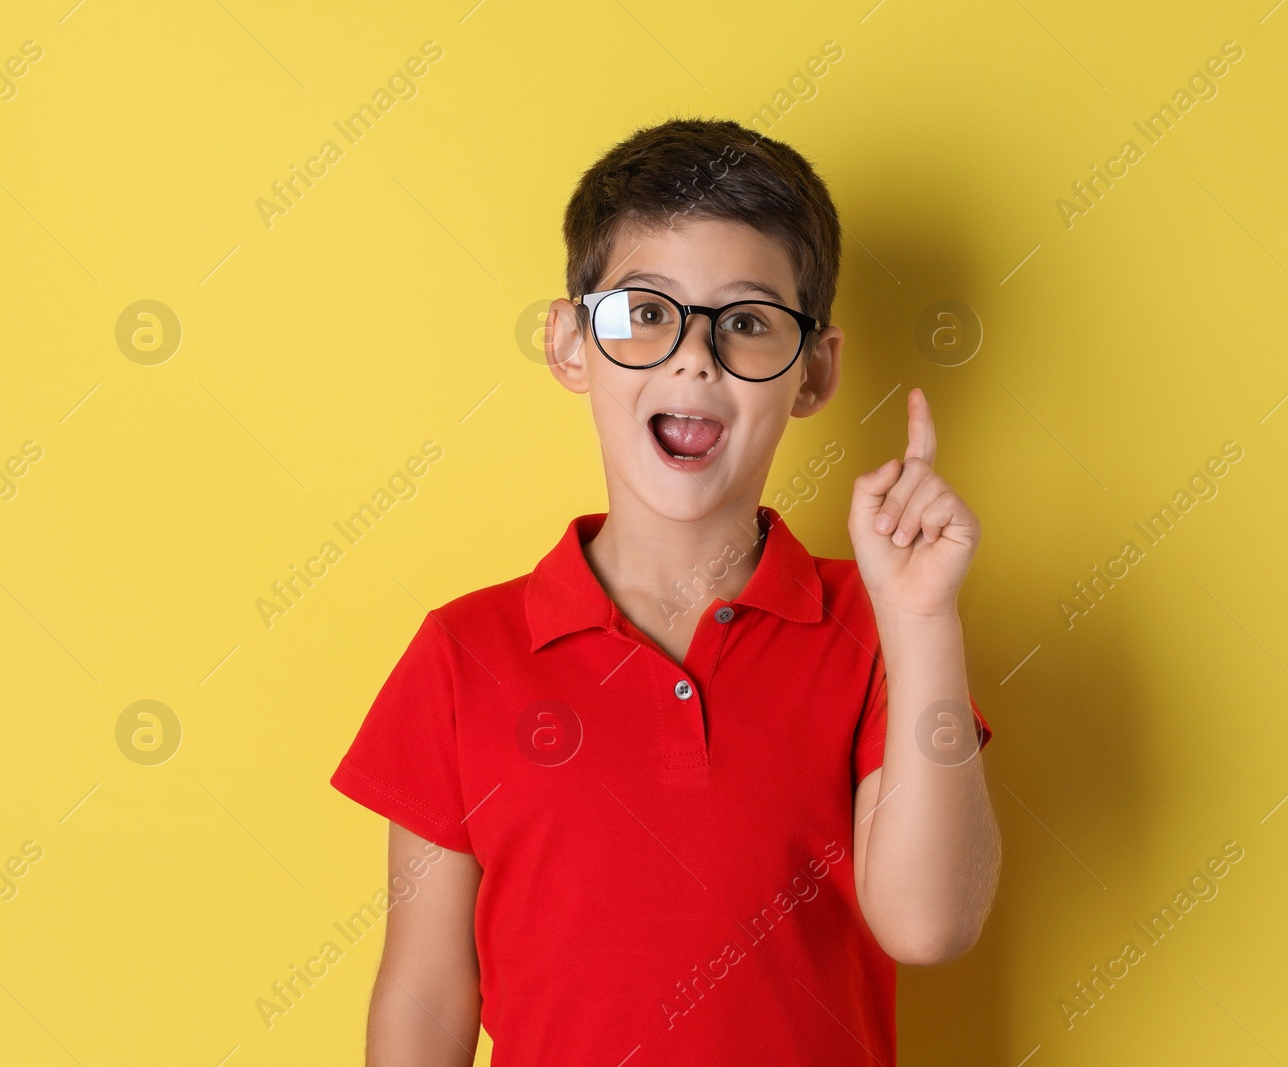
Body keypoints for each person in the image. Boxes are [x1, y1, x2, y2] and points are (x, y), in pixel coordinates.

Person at [329, 117, 1000, 1066]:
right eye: (646, 312)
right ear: (569, 344)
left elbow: (930, 925)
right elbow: (425, 993)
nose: (694, 357)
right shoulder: (462, 652)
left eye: (747, 322)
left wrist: (922, 616)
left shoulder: (879, 629)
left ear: (813, 371)